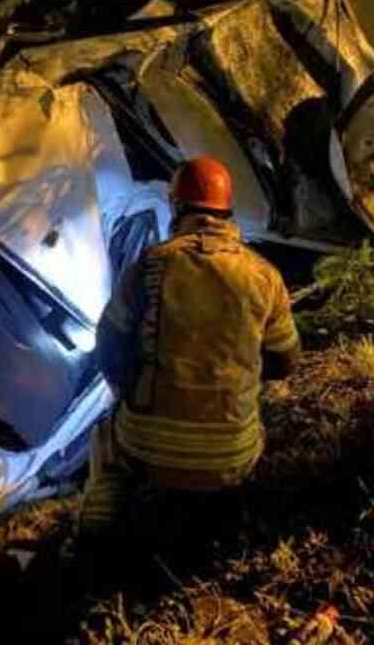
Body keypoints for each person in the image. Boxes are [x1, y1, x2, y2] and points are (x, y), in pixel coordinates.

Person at [76, 155, 300, 550]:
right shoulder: (265, 276)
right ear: (227, 212)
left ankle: (96, 531)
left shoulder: (149, 265)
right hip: (231, 453)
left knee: (105, 434)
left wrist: (127, 388)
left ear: (176, 208)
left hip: (148, 450)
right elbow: (285, 361)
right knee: (255, 428)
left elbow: (108, 344)